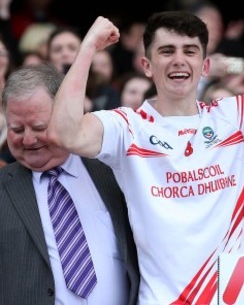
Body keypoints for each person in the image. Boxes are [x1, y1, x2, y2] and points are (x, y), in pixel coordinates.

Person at [46, 0, 244, 303]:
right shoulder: (127, 126)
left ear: (204, 66)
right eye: (167, 51)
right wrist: (88, 46)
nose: (179, 60)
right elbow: (64, 132)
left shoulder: (235, 116)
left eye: (190, 51)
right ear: (147, 65)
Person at [0, 64, 139, 304]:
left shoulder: (114, 172)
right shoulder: (4, 188)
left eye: (40, 127)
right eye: (17, 129)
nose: (29, 139)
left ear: (69, 114)